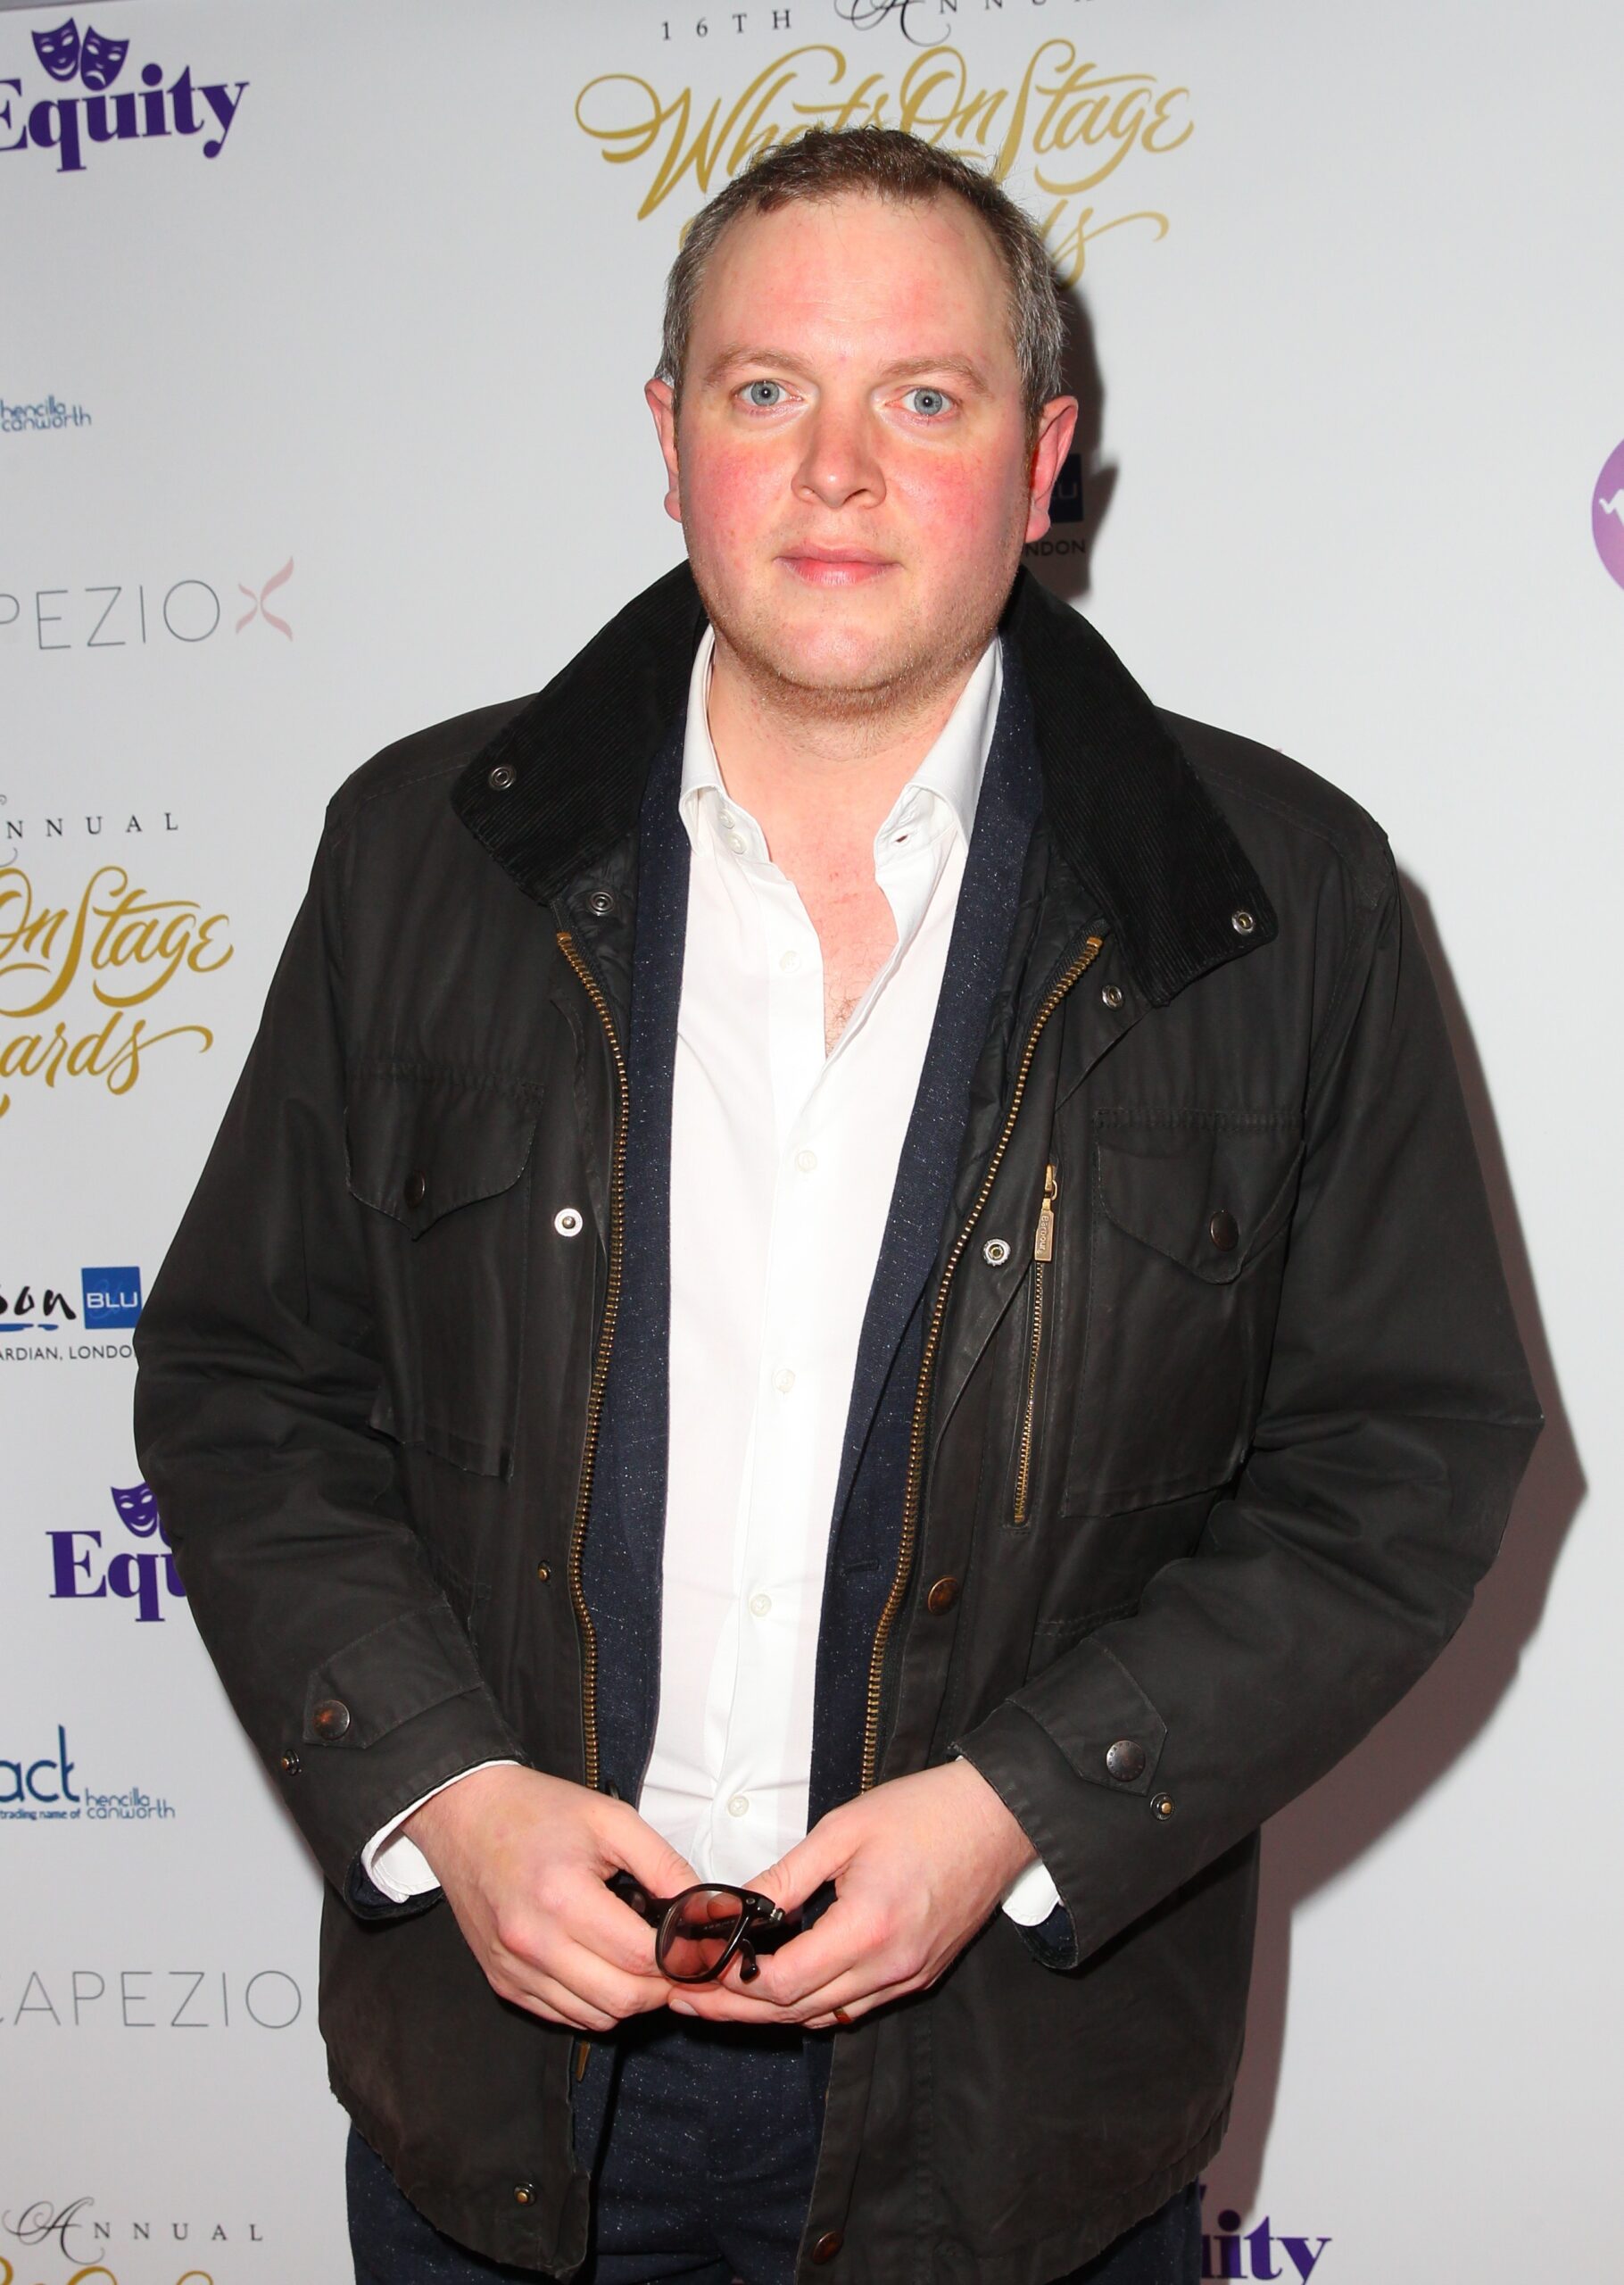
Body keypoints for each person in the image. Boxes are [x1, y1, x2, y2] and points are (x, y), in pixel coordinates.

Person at [132, 127, 1541, 2285]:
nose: (840, 471)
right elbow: (248, 1383)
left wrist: (1022, 1810)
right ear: (670, 436)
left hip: (1017, 2114)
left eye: (929, 397)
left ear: (1046, 456)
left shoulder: (1278, 900)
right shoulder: (422, 849)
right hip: (500, 2095)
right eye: (766, 388)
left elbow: (1404, 1455)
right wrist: (442, 1792)